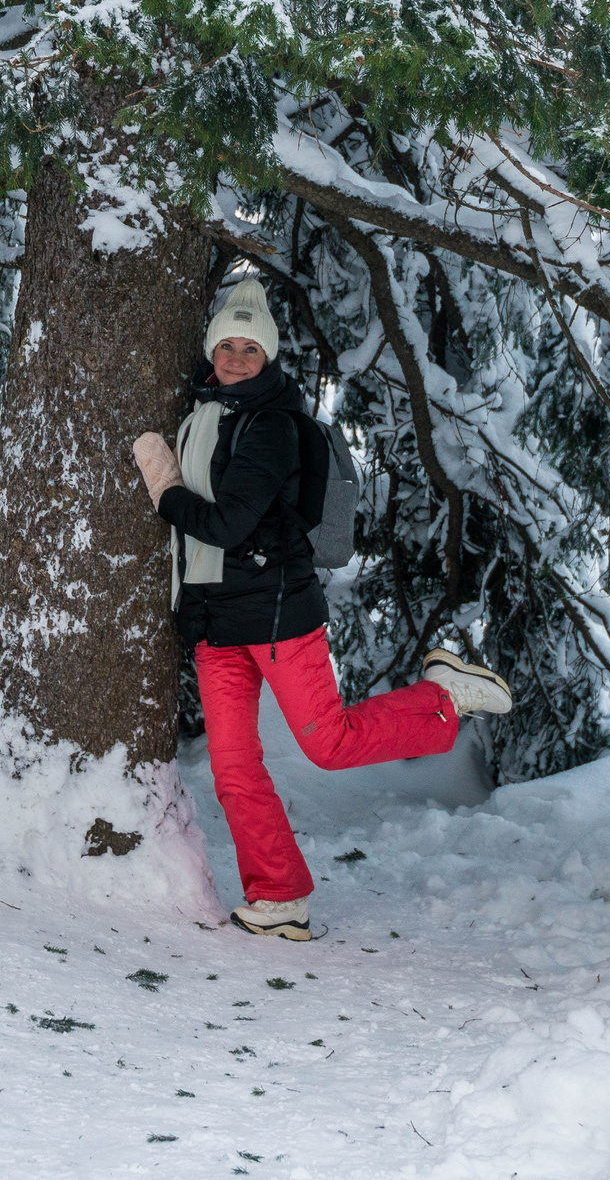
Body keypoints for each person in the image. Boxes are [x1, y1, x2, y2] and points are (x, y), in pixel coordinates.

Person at [130, 278, 515, 942]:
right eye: (228, 344)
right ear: (212, 348)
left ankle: (443, 700)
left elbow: (228, 523)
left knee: (327, 742)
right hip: (218, 624)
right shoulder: (206, 411)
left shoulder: (272, 424)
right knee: (234, 768)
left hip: (278, 614)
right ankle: (278, 896)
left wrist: (163, 489)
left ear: (270, 354)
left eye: (252, 347)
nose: (238, 357)